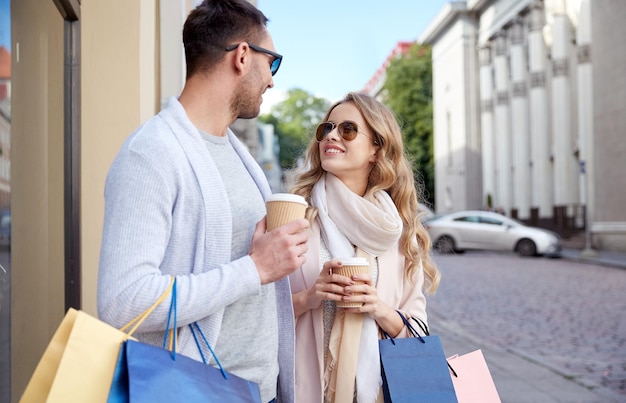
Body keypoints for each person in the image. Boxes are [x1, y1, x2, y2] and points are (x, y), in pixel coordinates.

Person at [97, 1, 309, 402]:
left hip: (255, 392)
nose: (272, 81)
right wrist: (255, 268)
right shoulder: (152, 153)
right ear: (243, 56)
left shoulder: (237, 154)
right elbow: (124, 303)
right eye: (273, 63)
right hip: (194, 392)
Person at [289, 92, 441, 402]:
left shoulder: (397, 229)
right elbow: (258, 312)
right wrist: (310, 297)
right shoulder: (295, 216)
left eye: (347, 129)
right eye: (326, 128)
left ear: (376, 149)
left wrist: (379, 309)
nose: (332, 134)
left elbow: (418, 330)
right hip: (302, 388)